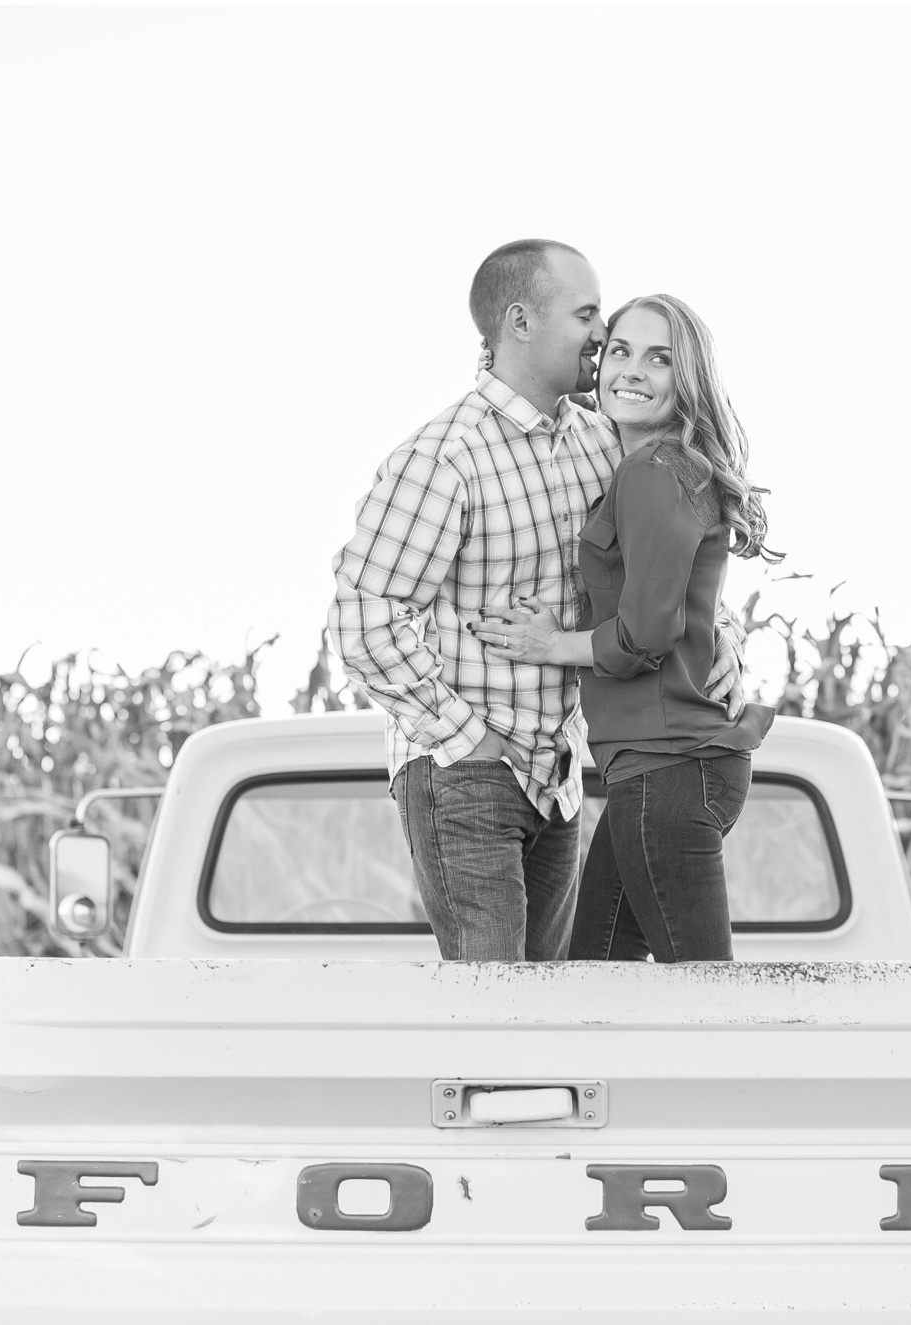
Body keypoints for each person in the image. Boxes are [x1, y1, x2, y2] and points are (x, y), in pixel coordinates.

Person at [328, 243, 744, 963]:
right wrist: (468, 739)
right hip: (468, 774)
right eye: (588, 316)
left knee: (551, 1013)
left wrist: (723, 637)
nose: (600, 336)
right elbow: (364, 618)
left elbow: (665, 559)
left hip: (561, 776)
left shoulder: (599, 439)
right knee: (497, 1018)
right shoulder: (442, 457)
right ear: (520, 321)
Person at [474, 294, 780, 962]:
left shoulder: (654, 472)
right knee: (596, 984)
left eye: (660, 358)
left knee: (704, 1002)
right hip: (659, 770)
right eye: (620, 351)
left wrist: (550, 643)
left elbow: (647, 630)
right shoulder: (663, 466)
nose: (633, 370)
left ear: (687, 378)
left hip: (669, 769)